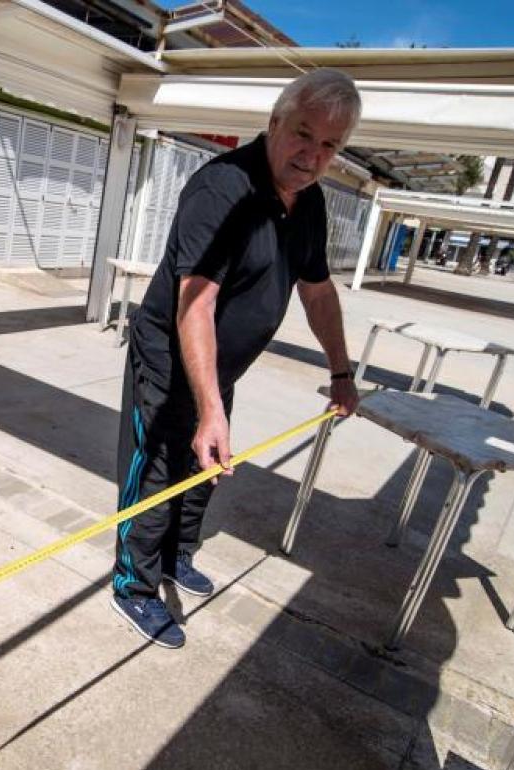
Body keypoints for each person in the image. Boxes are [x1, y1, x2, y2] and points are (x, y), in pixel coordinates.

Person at [110, 69, 362, 648]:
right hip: (170, 358)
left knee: (207, 464)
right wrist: (208, 408)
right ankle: (135, 586)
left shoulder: (312, 202)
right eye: (303, 134)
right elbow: (195, 305)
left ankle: (177, 555)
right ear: (274, 124)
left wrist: (341, 372)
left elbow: (318, 291)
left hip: (221, 364)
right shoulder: (222, 190)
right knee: (157, 470)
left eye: (330, 145)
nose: (313, 155)